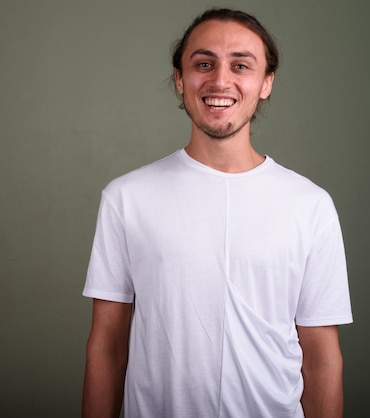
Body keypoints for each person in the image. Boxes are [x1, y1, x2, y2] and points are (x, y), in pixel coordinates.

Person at [82, 7, 352, 418]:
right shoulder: (126, 198)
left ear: (266, 83)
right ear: (179, 79)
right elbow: (107, 345)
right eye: (203, 64)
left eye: (240, 65)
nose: (220, 80)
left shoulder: (310, 205)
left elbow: (321, 357)